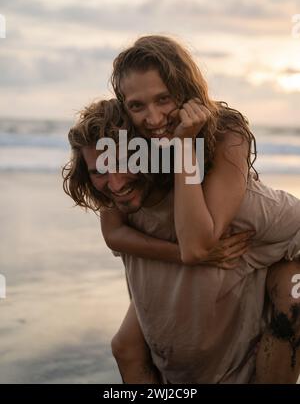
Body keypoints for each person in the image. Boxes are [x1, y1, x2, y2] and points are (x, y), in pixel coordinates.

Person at [63, 98, 300, 384]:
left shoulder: (222, 202)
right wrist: (187, 253)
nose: (114, 184)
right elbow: (113, 235)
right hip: (169, 354)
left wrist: (285, 281)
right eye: (98, 171)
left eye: (123, 163)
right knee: (125, 347)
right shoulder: (118, 200)